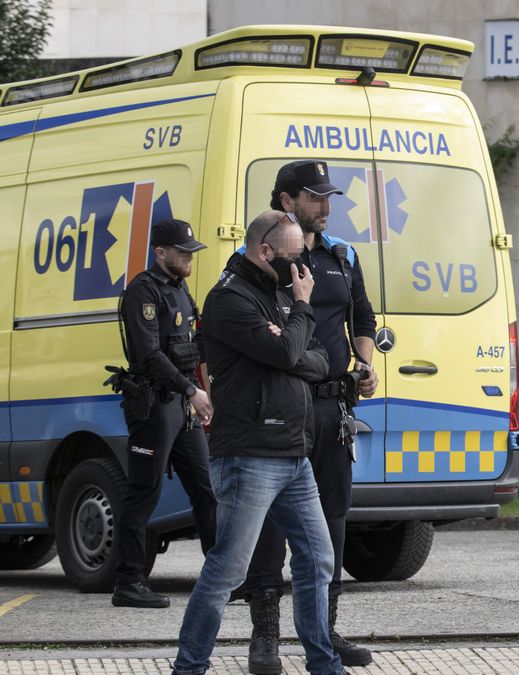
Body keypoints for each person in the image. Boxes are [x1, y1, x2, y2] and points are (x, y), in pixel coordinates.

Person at [172, 211, 342, 675]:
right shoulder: (229, 299)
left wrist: (288, 342)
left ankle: (324, 664)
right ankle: (188, 668)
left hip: (293, 453)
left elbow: (319, 361)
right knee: (228, 569)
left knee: (317, 560)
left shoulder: (281, 295)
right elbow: (289, 352)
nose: (301, 270)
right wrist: (298, 323)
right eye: (293, 260)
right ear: (265, 252)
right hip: (248, 455)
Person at [236, 160, 377, 673]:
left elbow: (363, 315)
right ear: (285, 200)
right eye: (315, 196)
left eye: (328, 196)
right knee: (272, 522)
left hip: (331, 408)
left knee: (332, 521)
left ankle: (324, 631)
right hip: (278, 407)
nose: (326, 205)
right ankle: (265, 637)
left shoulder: (343, 254)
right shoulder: (259, 258)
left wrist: (364, 361)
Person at [110, 218, 217, 609]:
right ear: (160, 252)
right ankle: (129, 582)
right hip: (154, 405)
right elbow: (149, 355)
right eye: (183, 251)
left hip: (181, 405)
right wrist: (192, 390)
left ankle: (221, 577)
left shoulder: (180, 290)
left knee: (206, 490)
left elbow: (193, 345)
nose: (190, 257)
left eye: (192, 251)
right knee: (143, 493)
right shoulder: (143, 291)